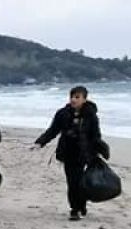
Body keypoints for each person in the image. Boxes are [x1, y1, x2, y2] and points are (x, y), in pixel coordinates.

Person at [33, 86, 110, 221]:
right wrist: (40, 142)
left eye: (77, 97)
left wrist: (103, 150)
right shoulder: (63, 113)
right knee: (72, 181)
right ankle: (75, 209)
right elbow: (53, 130)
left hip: (86, 153)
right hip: (68, 152)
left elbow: (96, 135)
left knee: (82, 181)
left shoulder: (91, 115)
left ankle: (81, 205)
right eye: (72, 97)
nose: (74, 100)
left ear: (84, 99)